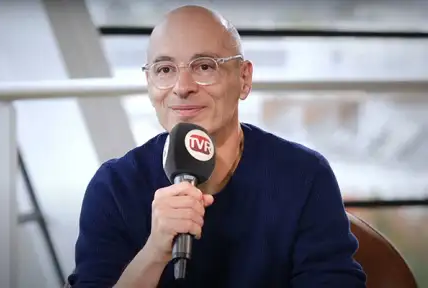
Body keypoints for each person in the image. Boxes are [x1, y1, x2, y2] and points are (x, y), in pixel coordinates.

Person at [67, 5, 366, 288]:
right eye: (164, 70)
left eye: (204, 66)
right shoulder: (114, 186)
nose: (182, 86)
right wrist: (154, 252)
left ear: (244, 78)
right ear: (149, 83)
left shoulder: (304, 176)